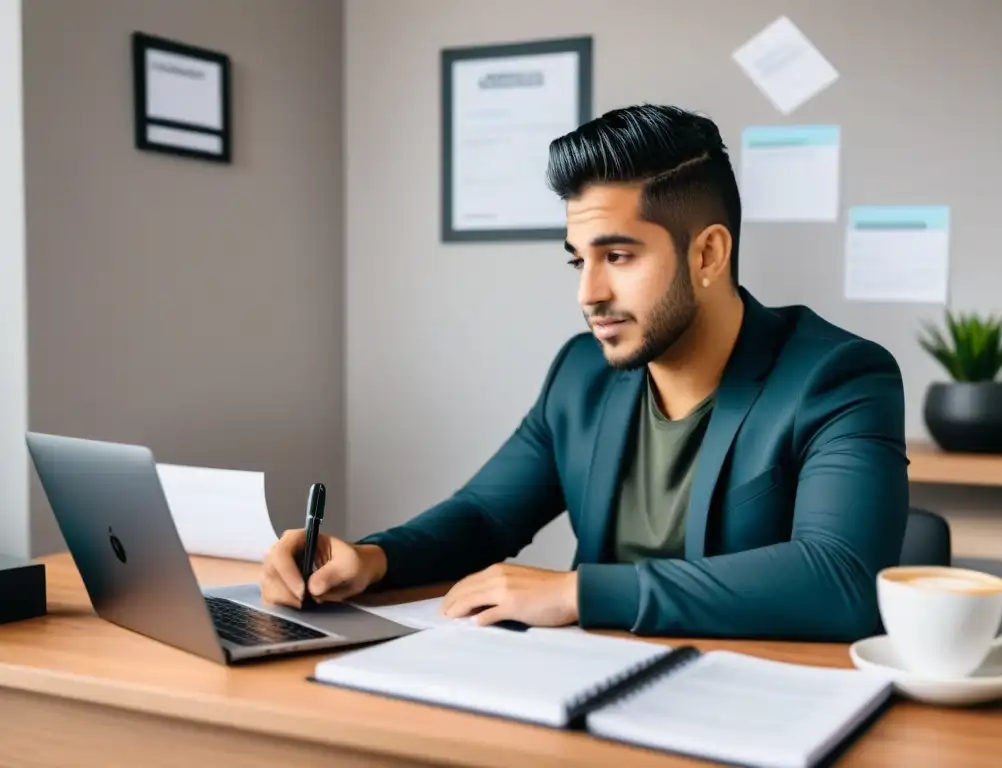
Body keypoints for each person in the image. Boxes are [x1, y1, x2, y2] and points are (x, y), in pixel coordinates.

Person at [261, 104, 909, 641]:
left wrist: (579, 593)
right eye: (578, 262)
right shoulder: (582, 373)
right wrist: (371, 560)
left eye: (619, 256)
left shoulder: (839, 377)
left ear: (708, 253)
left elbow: (842, 578)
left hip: (751, 704)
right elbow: (486, 516)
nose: (588, 294)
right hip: (584, 691)